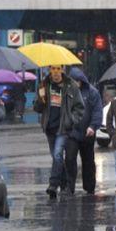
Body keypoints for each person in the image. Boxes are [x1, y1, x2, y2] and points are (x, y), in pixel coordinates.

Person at [34, 65, 85, 199]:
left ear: (62, 70)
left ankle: (53, 185)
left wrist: (71, 120)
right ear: (49, 70)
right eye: (53, 69)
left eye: (58, 69)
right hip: (50, 128)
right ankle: (66, 184)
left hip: (63, 128)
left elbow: (80, 107)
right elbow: (37, 108)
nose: (56, 72)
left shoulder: (71, 85)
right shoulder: (43, 85)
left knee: (57, 155)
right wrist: (41, 99)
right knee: (56, 158)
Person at [65, 68, 103, 195]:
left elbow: (97, 111)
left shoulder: (92, 92)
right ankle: (69, 187)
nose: (76, 83)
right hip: (72, 132)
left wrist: (93, 126)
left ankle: (89, 186)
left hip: (88, 132)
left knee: (88, 161)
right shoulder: (67, 92)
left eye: (77, 81)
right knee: (70, 159)